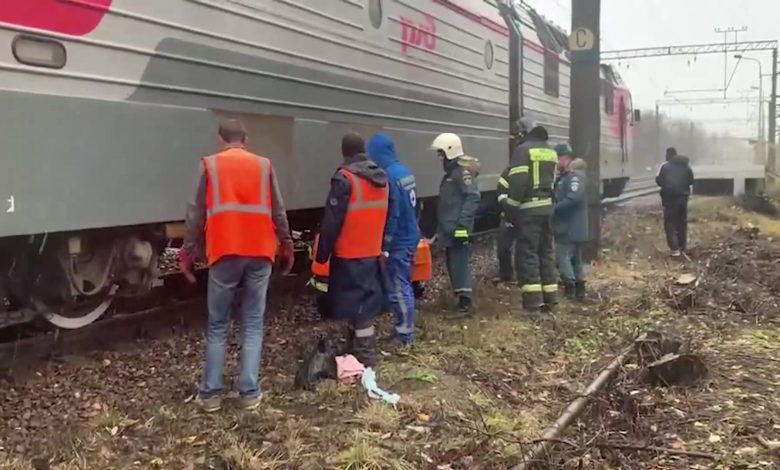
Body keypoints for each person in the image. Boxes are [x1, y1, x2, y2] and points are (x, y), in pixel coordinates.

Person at [180, 118, 295, 413]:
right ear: (245, 138)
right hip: (260, 251)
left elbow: (195, 213)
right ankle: (249, 393)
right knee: (253, 323)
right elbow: (278, 210)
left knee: (218, 324)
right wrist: (286, 243)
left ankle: (211, 395)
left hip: (224, 251)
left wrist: (188, 251)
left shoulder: (210, 165)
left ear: (220, 138)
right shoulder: (264, 165)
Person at [315, 133, 388, 367]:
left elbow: (331, 221)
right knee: (362, 304)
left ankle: (365, 356)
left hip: (349, 253)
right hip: (372, 251)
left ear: (344, 152)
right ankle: (357, 350)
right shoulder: (381, 179)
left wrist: (322, 254)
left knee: (358, 307)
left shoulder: (345, 179)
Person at [497, 117, 558, 315]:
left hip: (529, 211)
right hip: (547, 209)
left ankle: (533, 305)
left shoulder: (522, 151)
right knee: (545, 254)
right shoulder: (550, 150)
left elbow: (518, 184)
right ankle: (551, 301)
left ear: (522, 133)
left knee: (527, 255)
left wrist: (510, 211)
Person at [366, 132, 420, 346]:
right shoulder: (404, 171)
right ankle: (402, 329)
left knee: (399, 286)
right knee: (403, 283)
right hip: (410, 235)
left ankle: (404, 335)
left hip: (398, 240)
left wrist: (385, 244)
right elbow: (416, 206)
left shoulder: (387, 175)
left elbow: (393, 212)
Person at [430, 133, 481, 317]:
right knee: (453, 263)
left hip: (458, 230)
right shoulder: (452, 174)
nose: (439, 157)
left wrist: (462, 226)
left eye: (441, 153)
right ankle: (460, 300)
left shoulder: (462, 173)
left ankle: (465, 304)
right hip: (450, 229)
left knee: (459, 263)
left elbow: (473, 197)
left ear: (450, 152)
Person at [553, 143, 588, 302]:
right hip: (571, 227)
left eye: (556, 159)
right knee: (575, 260)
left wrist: (553, 209)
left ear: (564, 158)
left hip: (568, 227)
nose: (555, 163)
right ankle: (579, 290)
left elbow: (573, 199)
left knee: (563, 258)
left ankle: (570, 289)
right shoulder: (564, 177)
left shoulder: (574, 177)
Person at [656, 147, 694, 257]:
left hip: (669, 199)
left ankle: (674, 248)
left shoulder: (665, 166)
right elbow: (691, 180)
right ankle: (683, 247)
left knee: (670, 223)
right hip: (683, 199)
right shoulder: (686, 166)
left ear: (668, 155)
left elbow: (659, 180)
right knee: (682, 223)